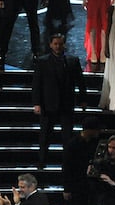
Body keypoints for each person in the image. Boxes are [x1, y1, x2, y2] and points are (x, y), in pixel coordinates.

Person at [32, 34, 87, 167]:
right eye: (55, 44)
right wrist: (37, 103)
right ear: (50, 45)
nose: (58, 46)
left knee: (67, 137)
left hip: (66, 105)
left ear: (64, 44)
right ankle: (42, 161)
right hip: (47, 105)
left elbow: (80, 82)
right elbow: (37, 84)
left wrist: (83, 99)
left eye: (60, 44)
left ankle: (67, 163)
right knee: (45, 136)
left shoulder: (73, 61)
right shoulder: (42, 61)